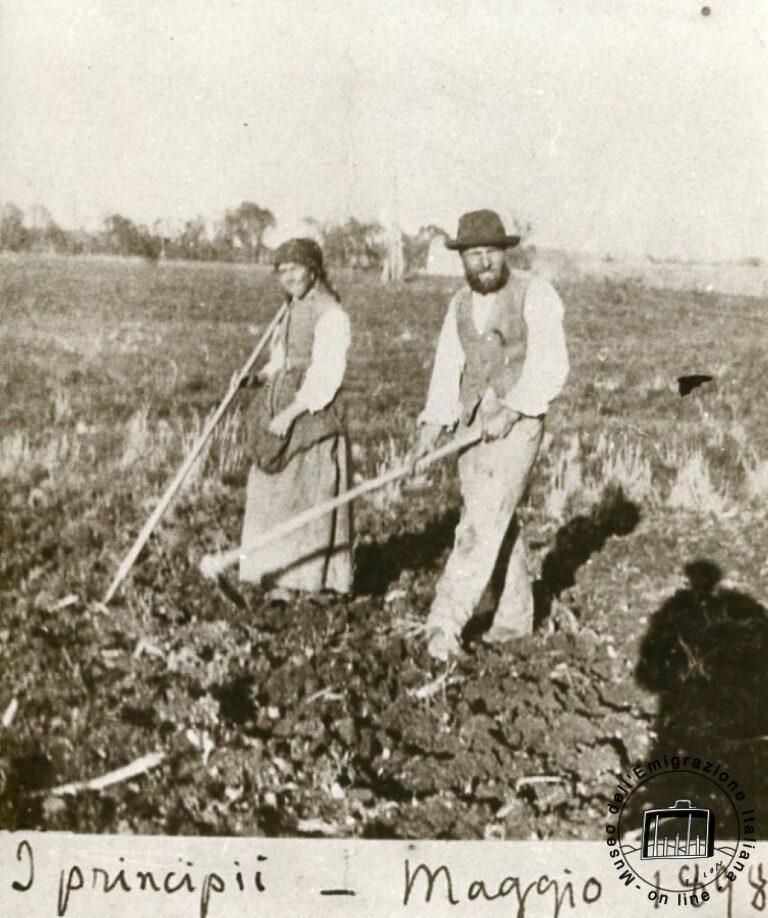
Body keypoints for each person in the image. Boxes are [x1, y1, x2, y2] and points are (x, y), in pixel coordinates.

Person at [412, 209, 569, 661]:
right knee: (496, 516)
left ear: (505, 253)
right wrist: (431, 426)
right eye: (473, 255)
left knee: (481, 520)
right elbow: (447, 369)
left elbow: (550, 364)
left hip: (517, 422)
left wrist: (515, 408)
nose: (482, 263)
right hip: (470, 423)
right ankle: (515, 619)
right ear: (462, 259)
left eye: (489, 254)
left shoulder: (536, 294)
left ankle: (444, 624)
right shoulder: (459, 303)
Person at [239, 237, 353, 595]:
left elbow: (326, 375)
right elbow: (281, 361)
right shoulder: (290, 308)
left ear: (313, 269)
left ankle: (305, 580)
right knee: (271, 491)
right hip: (281, 402)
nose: (288, 277)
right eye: (282, 271)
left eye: (295, 269)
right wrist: (256, 377)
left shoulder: (331, 313)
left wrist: (291, 414)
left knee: (301, 492)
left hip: (310, 412)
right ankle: (270, 571)